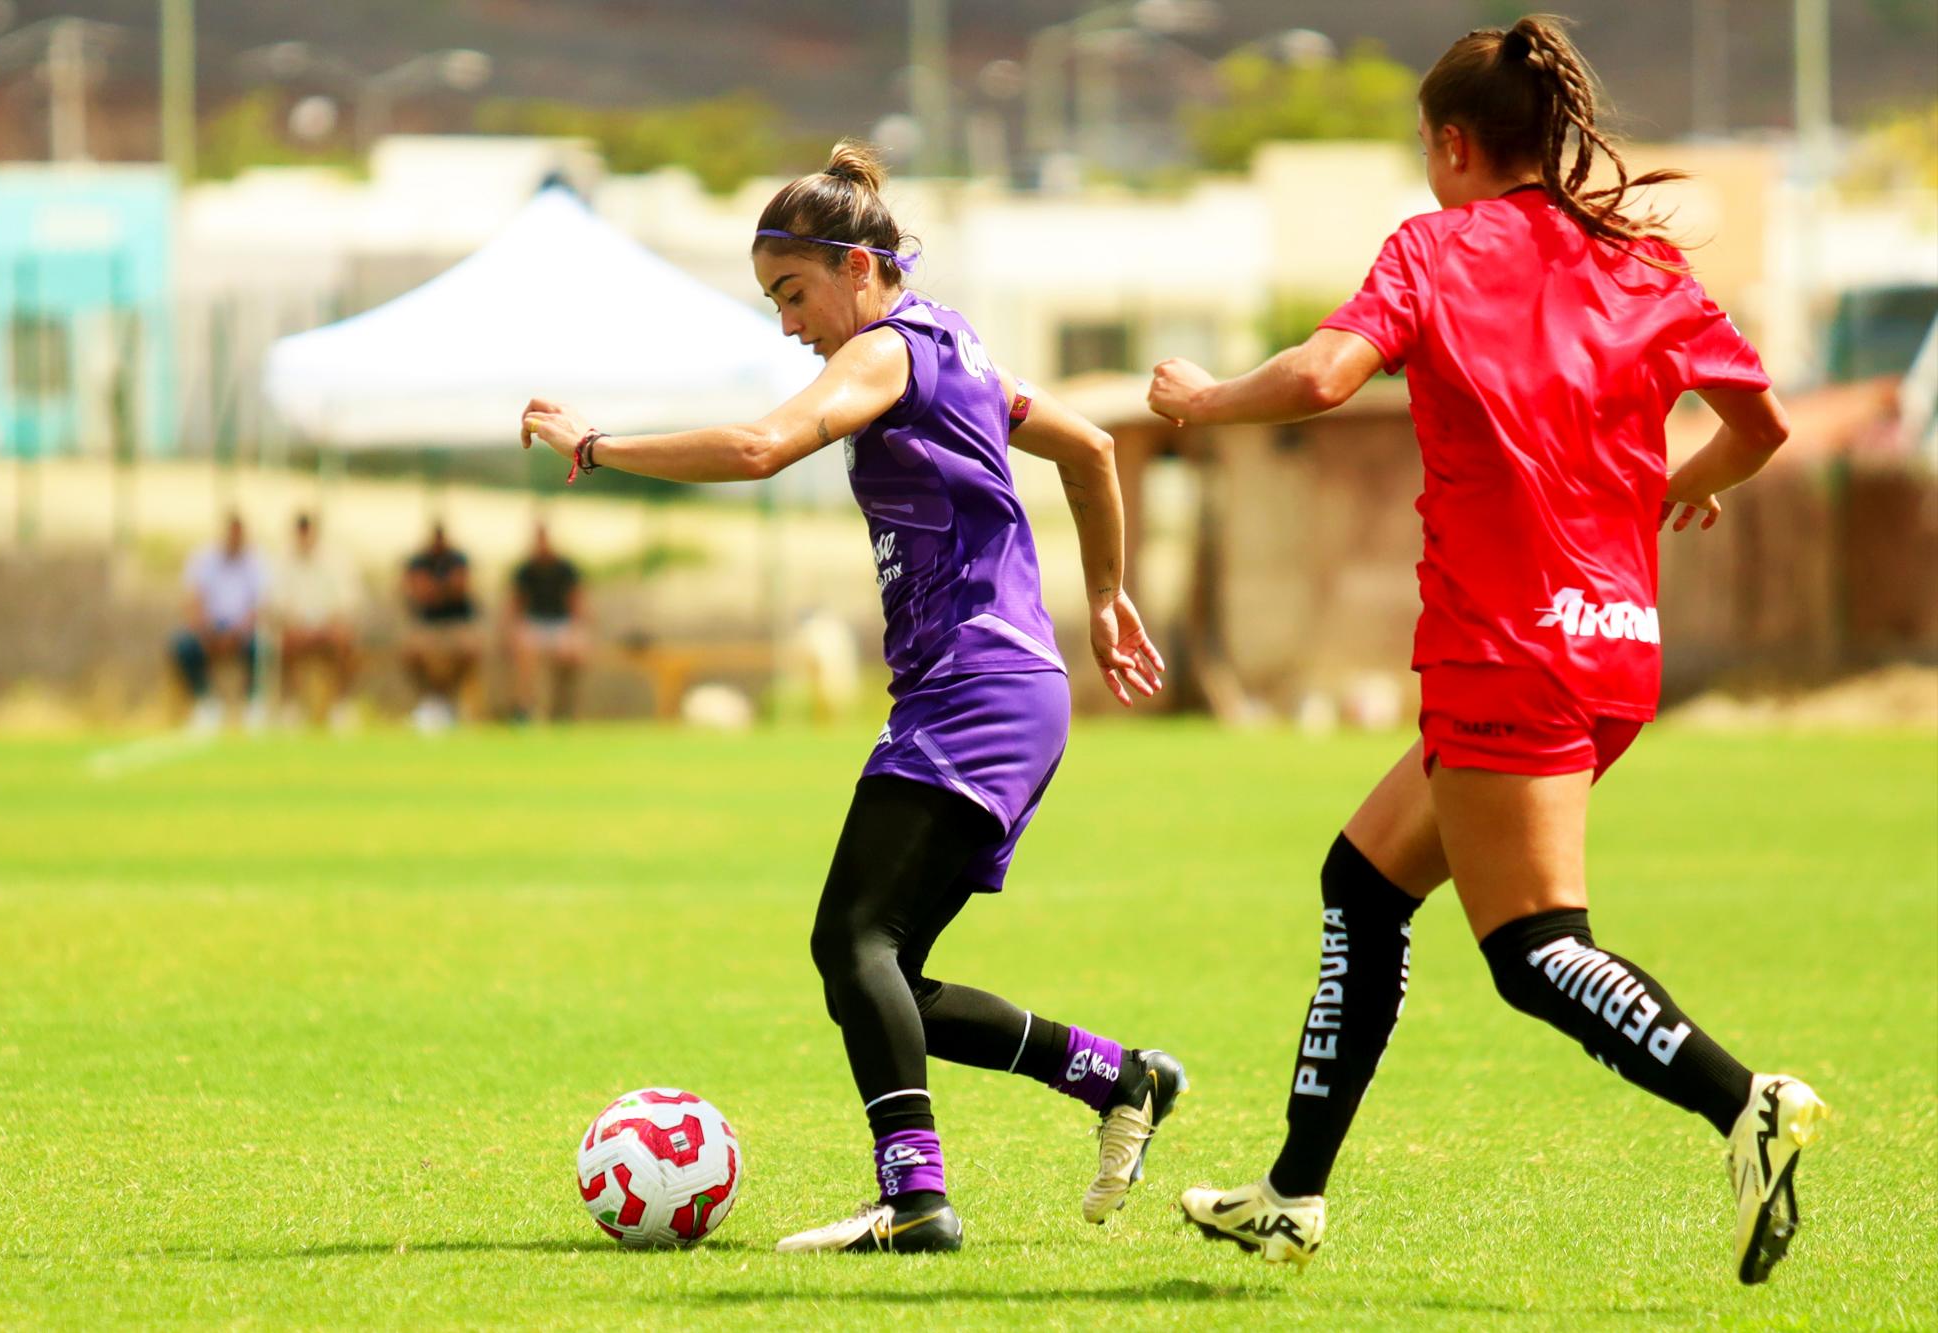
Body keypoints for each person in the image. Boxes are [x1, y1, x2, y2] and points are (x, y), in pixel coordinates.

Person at [1150, 16, 1824, 1286]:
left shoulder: (1433, 247)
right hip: (1614, 649)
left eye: (1423, 147)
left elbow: (1318, 376)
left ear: (1453, 145)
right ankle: (1291, 1194)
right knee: (1360, 883)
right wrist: (1669, 486)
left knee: (1532, 950)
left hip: (1502, 649)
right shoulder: (1639, 269)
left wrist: (1201, 400)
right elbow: (1764, 427)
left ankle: (1746, 1101)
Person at [522, 140, 1178, 1255]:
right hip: (998, 686)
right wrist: (1106, 598)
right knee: (879, 970)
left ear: (858, 265)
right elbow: (1091, 448)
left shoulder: (883, 354)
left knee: (852, 941)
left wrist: (597, 444)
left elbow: (757, 443)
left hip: (972, 688)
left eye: (792, 293)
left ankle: (915, 1201)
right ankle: (1118, 1077)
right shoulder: (959, 350)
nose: (787, 324)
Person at [171, 512, 267, 731]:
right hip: (209, 629)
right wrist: (206, 630)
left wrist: (237, 632)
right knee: (184, 646)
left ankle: (252, 705)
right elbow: (193, 599)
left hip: (242, 631)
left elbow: (260, 606)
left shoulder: (255, 563)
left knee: (261, 648)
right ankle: (205, 702)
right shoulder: (204, 559)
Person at [273, 512, 360, 728]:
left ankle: (340, 707)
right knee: (285, 642)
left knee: (344, 641)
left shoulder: (336, 561)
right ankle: (291, 706)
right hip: (298, 629)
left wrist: (325, 627)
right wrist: (298, 626)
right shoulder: (283, 561)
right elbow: (279, 605)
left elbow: (345, 604)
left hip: (328, 628)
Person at [503, 521, 587, 722]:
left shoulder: (565, 569)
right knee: (524, 652)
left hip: (561, 624)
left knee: (573, 653)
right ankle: (524, 707)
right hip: (534, 623)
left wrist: (578, 631)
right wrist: (508, 633)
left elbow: (577, 604)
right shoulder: (525, 570)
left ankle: (562, 709)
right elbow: (515, 606)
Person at [401, 522, 478, 730]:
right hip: (427, 625)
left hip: (456, 623)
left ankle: (453, 703)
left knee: (469, 647)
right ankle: (432, 702)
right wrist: (441, 588)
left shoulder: (457, 559)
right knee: (416, 650)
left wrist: (438, 588)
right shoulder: (419, 561)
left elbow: (460, 588)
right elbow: (418, 593)